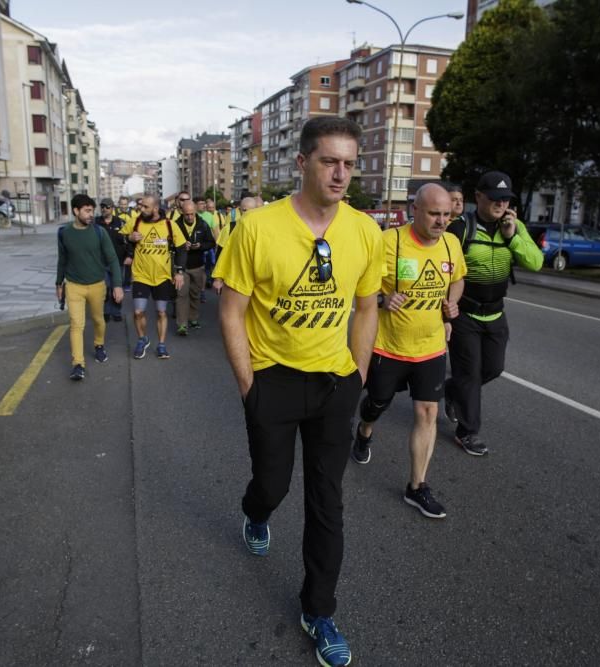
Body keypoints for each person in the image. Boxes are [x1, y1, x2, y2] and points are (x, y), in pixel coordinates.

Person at [214, 116, 383, 667]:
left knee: (327, 503)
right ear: (302, 163)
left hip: (335, 384)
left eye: (349, 164)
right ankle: (255, 512)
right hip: (274, 381)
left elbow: (365, 307)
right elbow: (232, 310)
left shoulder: (364, 231)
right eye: (329, 161)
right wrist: (249, 386)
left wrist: (357, 377)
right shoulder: (257, 228)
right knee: (272, 485)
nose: (340, 174)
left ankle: (319, 610)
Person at [350, 183, 466, 519]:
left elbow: (458, 278)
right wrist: (384, 299)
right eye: (434, 214)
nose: (441, 221)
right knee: (377, 404)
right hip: (389, 345)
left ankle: (417, 487)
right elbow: (360, 287)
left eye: (446, 214)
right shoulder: (389, 242)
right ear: (413, 209)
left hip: (430, 346)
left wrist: (452, 303)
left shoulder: (451, 244)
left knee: (428, 413)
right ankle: (364, 431)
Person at [443, 171, 543, 454]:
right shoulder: (462, 228)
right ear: (478, 197)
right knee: (470, 374)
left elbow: (535, 262)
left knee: (493, 368)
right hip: (465, 315)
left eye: (505, 199)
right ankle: (467, 431)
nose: (500, 204)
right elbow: (444, 269)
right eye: (494, 198)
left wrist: (512, 238)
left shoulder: (514, 226)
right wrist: (445, 312)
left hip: (496, 314)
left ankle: (452, 390)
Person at [56, 194, 124, 381]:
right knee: (76, 325)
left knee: (98, 320)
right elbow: (62, 260)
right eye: (86, 211)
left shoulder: (99, 232)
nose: (90, 214)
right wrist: (58, 283)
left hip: (97, 285)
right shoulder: (64, 233)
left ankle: (99, 344)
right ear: (76, 211)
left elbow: (112, 259)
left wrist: (117, 285)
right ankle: (78, 364)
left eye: (91, 211)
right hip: (74, 286)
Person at [123, 195, 188, 360]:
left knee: (161, 312)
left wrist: (179, 272)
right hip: (141, 275)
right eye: (141, 206)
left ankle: (161, 344)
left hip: (162, 277)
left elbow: (181, 248)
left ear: (155, 208)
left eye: (145, 207)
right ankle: (142, 339)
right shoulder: (135, 222)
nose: (141, 209)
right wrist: (128, 238)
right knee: (138, 312)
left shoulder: (169, 225)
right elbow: (118, 238)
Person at [174, 198, 215, 335]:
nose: (190, 217)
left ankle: (193, 319)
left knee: (195, 294)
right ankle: (182, 325)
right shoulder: (175, 225)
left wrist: (200, 246)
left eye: (192, 214)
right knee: (181, 295)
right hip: (182, 267)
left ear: (195, 212)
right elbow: (168, 245)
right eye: (186, 214)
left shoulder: (203, 225)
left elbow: (211, 243)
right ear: (182, 212)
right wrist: (180, 245)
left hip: (198, 265)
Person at [97, 198, 129, 322]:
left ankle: (116, 311)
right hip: (101, 262)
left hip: (118, 261)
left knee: (117, 287)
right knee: (105, 288)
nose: (104, 209)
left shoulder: (120, 223)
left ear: (112, 208)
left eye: (107, 207)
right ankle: (106, 311)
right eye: (102, 206)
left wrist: (129, 256)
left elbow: (128, 241)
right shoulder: (96, 223)